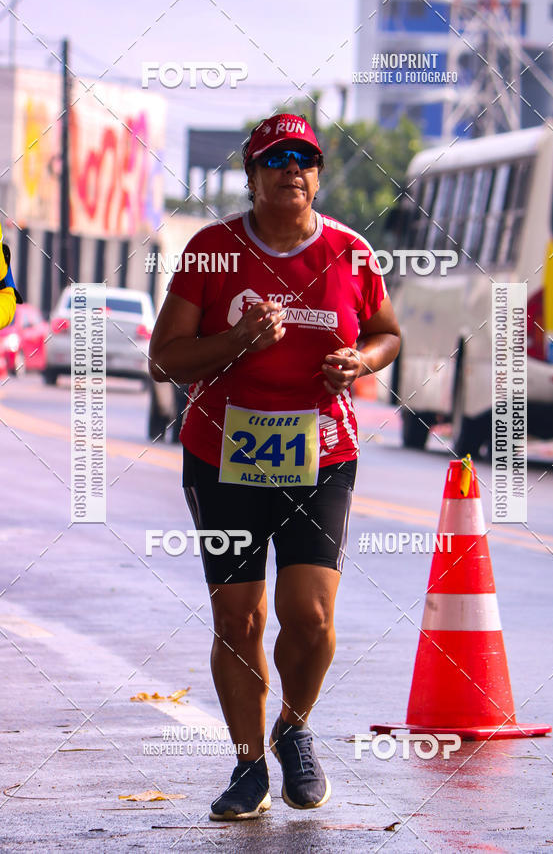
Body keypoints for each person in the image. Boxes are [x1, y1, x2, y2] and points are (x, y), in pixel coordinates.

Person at [149, 113, 401, 821]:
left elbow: (387, 332)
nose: (293, 168)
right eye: (276, 158)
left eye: (305, 158)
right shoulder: (211, 250)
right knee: (239, 617)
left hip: (322, 452)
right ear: (252, 174)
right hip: (223, 454)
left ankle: (293, 727)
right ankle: (248, 765)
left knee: (310, 616)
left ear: (317, 175)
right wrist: (237, 340)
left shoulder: (351, 253)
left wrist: (361, 361)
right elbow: (165, 358)